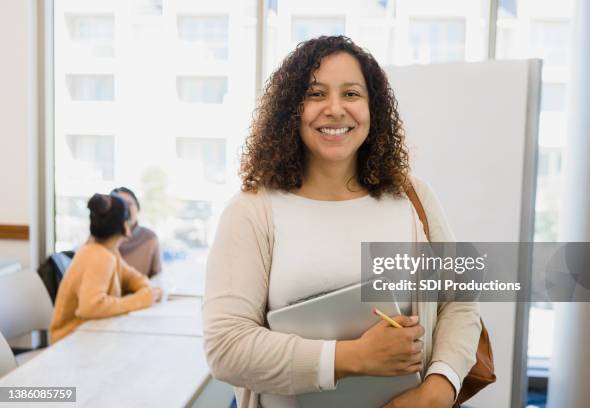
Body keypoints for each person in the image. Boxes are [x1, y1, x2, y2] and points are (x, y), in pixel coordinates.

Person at [203, 36, 481, 408]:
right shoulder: (253, 210)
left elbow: (459, 303)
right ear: (291, 109)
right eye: (316, 94)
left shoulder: (412, 196)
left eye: (351, 94)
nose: (335, 109)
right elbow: (226, 347)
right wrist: (354, 357)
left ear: (373, 109)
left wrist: (438, 388)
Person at [50, 193, 163, 343]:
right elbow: (90, 307)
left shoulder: (108, 251)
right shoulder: (98, 256)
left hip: (90, 334)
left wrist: (148, 290)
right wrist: (140, 300)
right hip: (70, 340)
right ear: (125, 226)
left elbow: (131, 277)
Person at [111, 187, 162, 278]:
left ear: (137, 208)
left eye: (129, 204)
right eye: (120, 205)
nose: (125, 210)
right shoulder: (100, 239)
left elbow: (157, 277)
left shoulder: (150, 238)